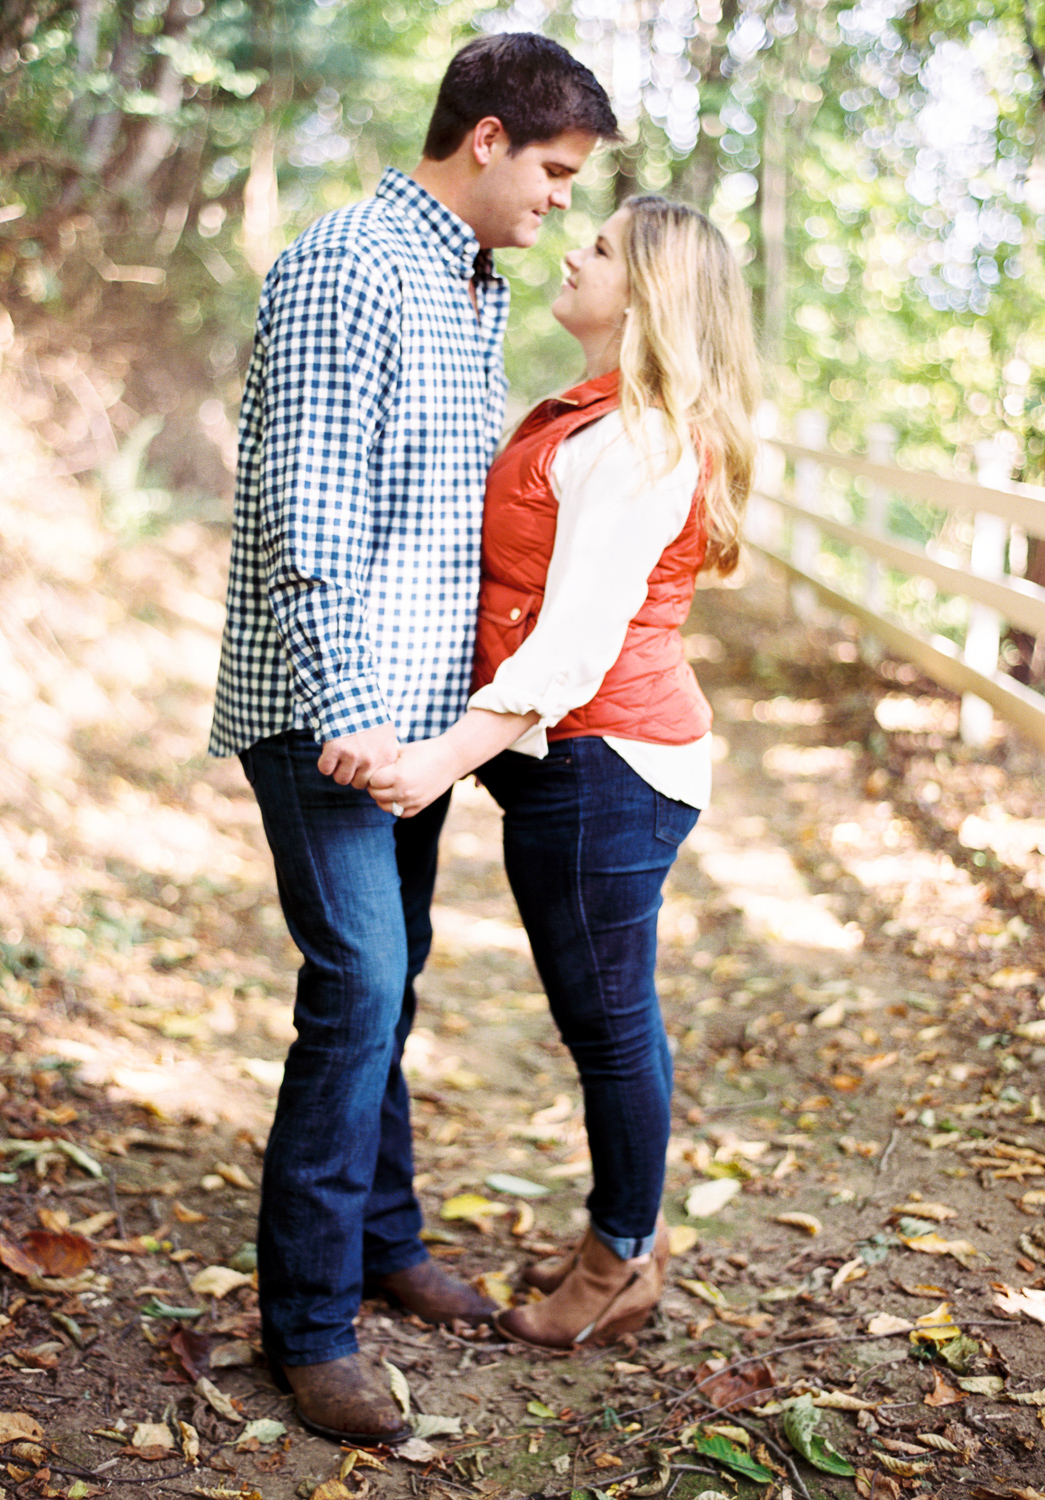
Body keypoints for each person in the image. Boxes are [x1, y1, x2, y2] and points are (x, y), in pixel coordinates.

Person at [207, 34, 618, 1444]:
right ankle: (307, 1327)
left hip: (417, 723)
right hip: (335, 720)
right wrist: (351, 720)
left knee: (400, 979)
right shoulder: (349, 269)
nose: (564, 202)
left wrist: (448, 729)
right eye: (557, 172)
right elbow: (302, 524)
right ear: (490, 138)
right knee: (359, 987)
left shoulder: (472, 285)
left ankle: (383, 1236)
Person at [368, 196, 760, 1349]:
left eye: (597, 248)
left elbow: (574, 643)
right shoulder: (595, 414)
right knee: (606, 1014)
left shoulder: (639, 438)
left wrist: (439, 760)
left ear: (643, 294)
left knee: (609, 1024)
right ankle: (626, 1224)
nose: (571, 252)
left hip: (608, 766)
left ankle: (622, 1257)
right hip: (580, 764)